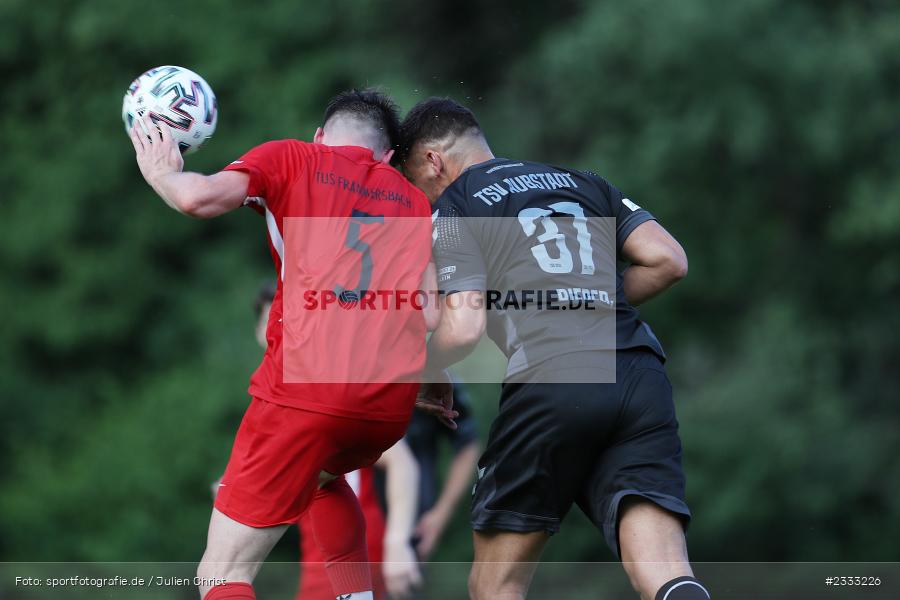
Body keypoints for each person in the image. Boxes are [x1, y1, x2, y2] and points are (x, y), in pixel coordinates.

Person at [130, 89, 446, 600]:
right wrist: (435, 379)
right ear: (388, 157)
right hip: (386, 407)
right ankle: (356, 595)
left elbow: (197, 198)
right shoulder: (412, 200)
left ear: (320, 136)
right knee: (321, 480)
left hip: (307, 393)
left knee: (221, 572)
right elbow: (430, 313)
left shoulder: (294, 157)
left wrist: (162, 174)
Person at [402, 98, 710, 600]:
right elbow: (668, 260)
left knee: (494, 585)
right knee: (664, 571)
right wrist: (588, 298)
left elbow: (461, 329)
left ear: (433, 161)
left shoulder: (455, 206)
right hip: (638, 372)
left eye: (418, 183)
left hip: (552, 378)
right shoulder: (583, 182)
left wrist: (417, 371)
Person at [217, 283, 423, 600]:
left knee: (221, 572)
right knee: (323, 482)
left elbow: (402, 462)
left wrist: (398, 542)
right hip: (330, 551)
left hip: (346, 551)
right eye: (267, 317)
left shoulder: (305, 395)